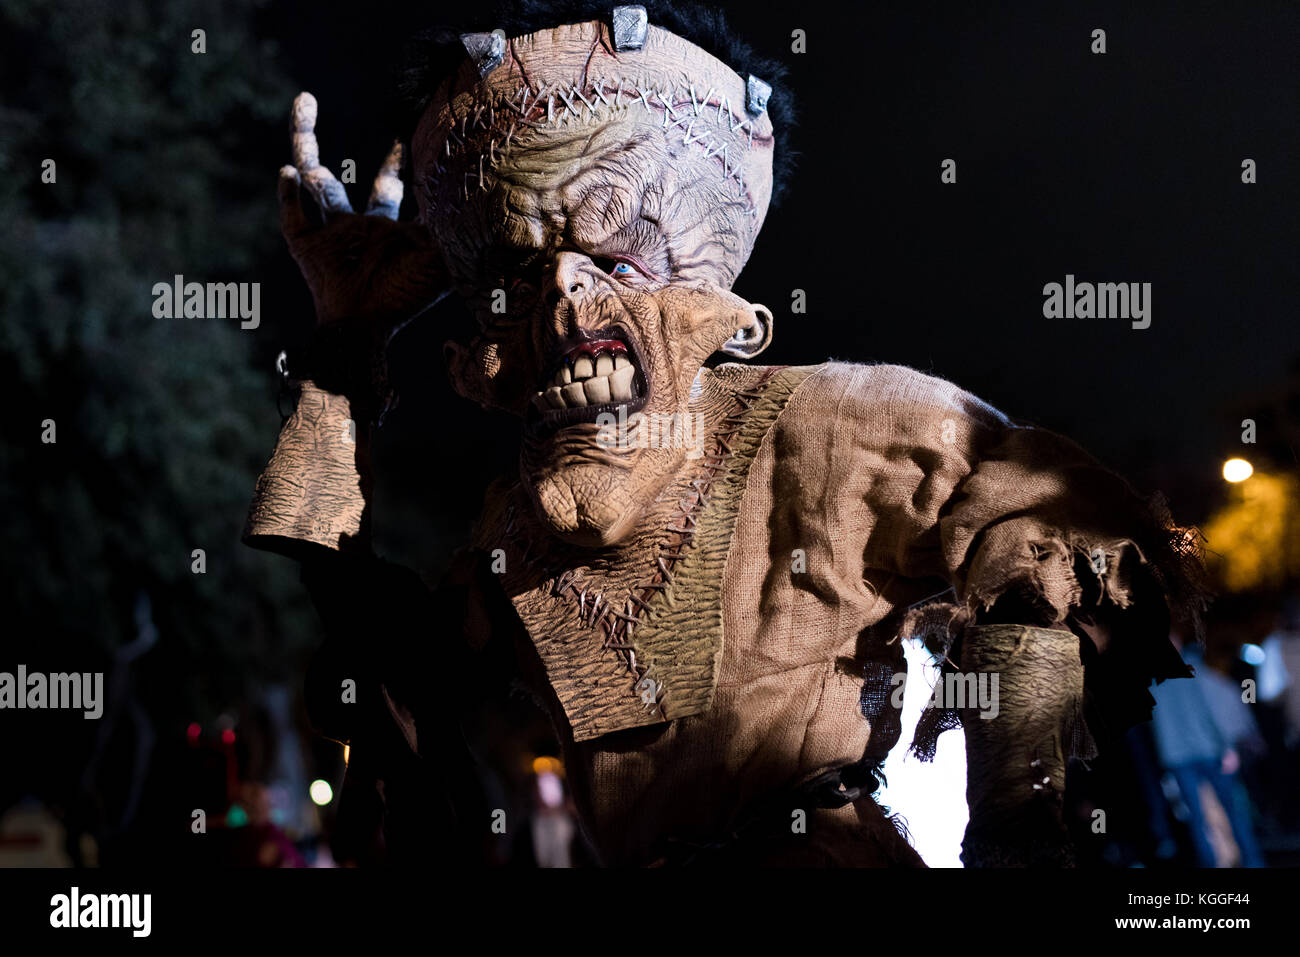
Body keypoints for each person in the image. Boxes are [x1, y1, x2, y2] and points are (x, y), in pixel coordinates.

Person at [243, 3, 1207, 866]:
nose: (570, 295)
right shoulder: (519, 538)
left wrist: (1017, 829)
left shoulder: (819, 423)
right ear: (499, 360)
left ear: (714, 311)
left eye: (614, 258)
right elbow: (386, 650)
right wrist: (348, 341)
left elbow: (1047, 524)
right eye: (529, 280)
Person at [1150, 636, 1266, 867]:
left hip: (1181, 756)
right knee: (1232, 811)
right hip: (1207, 750)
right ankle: (1252, 861)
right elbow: (1218, 709)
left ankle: (1219, 862)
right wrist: (1229, 747)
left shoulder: (1153, 680)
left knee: (1199, 817)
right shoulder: (1194, 671)